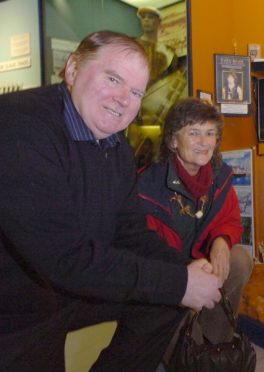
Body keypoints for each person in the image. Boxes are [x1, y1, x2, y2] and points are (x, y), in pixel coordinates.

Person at [0, 31, 222, 371]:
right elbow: (63, 257)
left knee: (164, 302)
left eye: (135, 92)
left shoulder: (115, 146)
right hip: (16, 307)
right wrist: (179, 283)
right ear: (73, 69)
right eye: (114, 79)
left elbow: (129, 231)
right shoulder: (20, 127)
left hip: (66, 288)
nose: (123, 99)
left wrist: (183, 271)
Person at [136, 98, 253, 347]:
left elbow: (230, 219)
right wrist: (186, 273)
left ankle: (216, 341)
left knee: (240, 259)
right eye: (194, 133)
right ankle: (189, 348)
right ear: (172, 141)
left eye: (210, 133)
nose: (204, 142)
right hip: (166, 273)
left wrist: (221, 240)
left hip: (202, 264)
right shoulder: (149, 184)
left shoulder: (219, 176)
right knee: (184, 351)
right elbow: (144, 248)